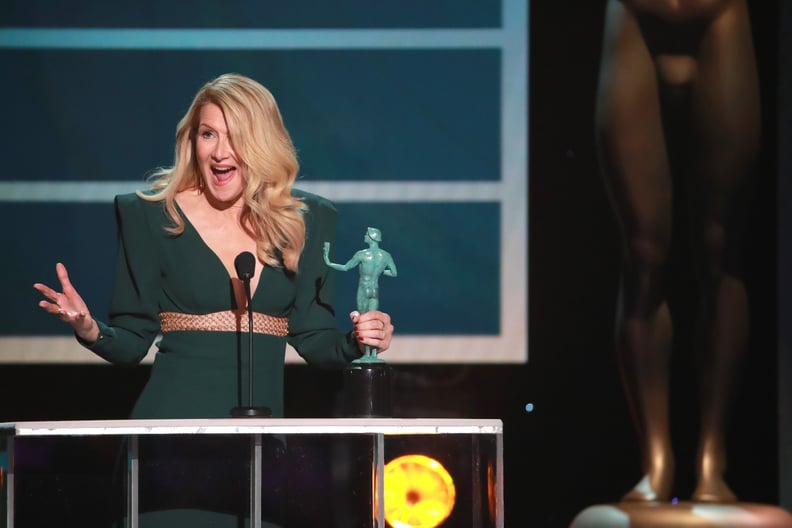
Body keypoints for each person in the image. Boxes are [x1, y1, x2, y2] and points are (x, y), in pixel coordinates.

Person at [33, 73, 395, 526]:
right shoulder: (150, 213)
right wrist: (87, 327)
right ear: (192, 141)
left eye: (235, 137)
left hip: (261, 451)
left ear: (262, 144)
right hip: (168, 446)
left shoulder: (307, 220)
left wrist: (358, 339)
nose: (220, 152)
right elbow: (130, 342)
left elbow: (315, 338)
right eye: (208, 134)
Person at [595, 0, 760, 504]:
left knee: (718, 248)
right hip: (634, 16)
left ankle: (713, 458)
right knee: (644, 252)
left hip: (720, 14)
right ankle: (657, 460)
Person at [323, 227, 398, 362]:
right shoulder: (385, 256)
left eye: (366, 234)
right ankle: (373, 355)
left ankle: (367, 354)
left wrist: (328, 262)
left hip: (364, 288)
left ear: (371, 237)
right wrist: (380, 272)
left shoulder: (362, 254)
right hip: (374, 288)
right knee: (372, 321)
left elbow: (346, 267)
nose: (364, 236)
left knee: (364, 321)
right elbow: (394, 273)